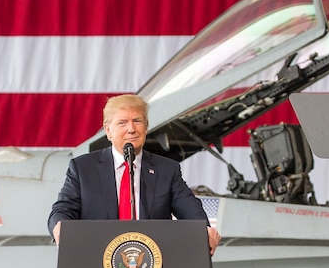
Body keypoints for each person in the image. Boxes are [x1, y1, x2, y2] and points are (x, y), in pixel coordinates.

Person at [47, 94, 220, 255]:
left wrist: (203, 230)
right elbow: (63, 209)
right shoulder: (83, 168)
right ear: (108, 131)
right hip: (96, 262)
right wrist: (60, 226)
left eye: (137, 121)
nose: (131, 129)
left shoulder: (167, 169)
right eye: (122, 123)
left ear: (145, 127)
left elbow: (190, 209)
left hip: (152, 264)